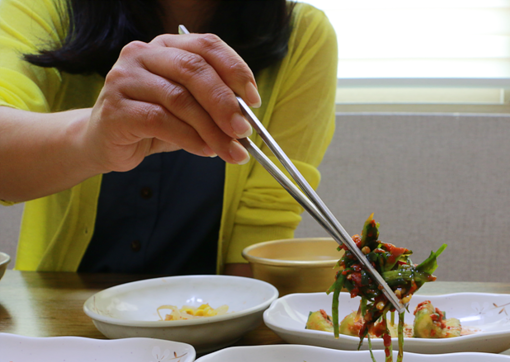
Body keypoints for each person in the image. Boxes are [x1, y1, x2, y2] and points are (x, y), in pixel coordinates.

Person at [0, 0, 337, 277]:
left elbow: (261, 229)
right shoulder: (45, 7)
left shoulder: (303, 35)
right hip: (58, 327)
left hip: (214, 325)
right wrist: (90, 139)